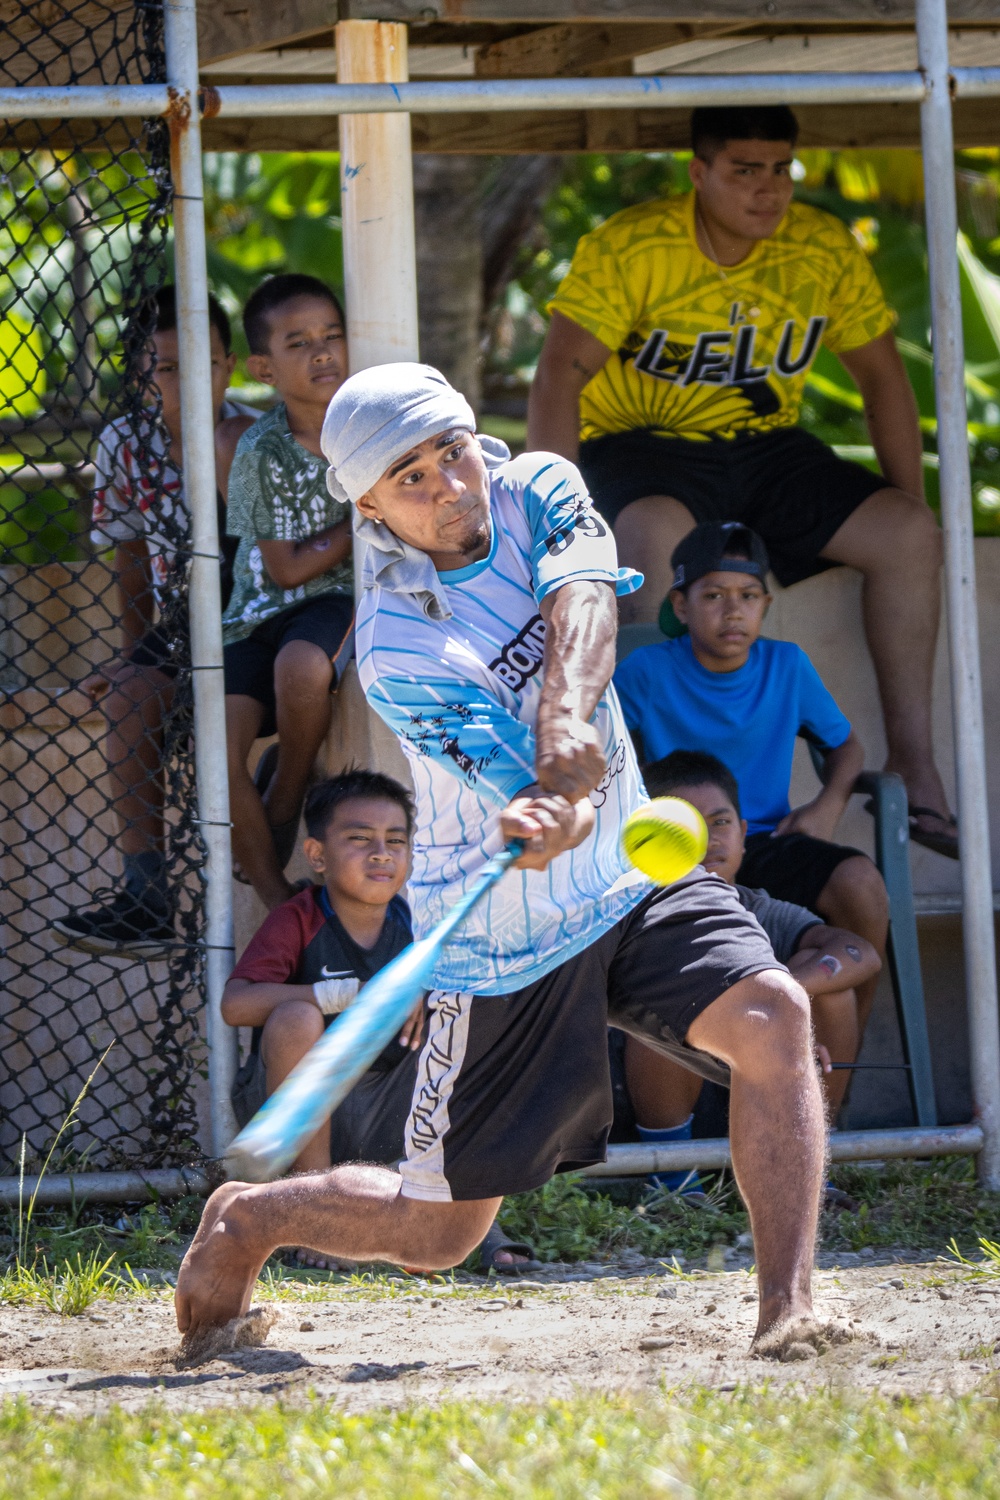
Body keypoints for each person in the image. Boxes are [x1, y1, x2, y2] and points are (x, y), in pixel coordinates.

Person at [177, 364, 834, 1363]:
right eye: (410, 476)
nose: (448, 484)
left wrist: (569, 716)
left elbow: (581, 596)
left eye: (450, 449)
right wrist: (538, 794)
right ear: (369, 505)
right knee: (439, 1233)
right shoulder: (396, 642)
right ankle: (247, 1220)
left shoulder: (538, 485)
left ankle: (790, 1313)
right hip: (502, 941)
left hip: (626, 874)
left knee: (773, 1013)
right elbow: (512, 771)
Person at [528, 104, 955, 860]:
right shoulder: (635, 246)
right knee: (652, 539)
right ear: (700, 174)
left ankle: (917, 766)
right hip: (643, 444)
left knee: (910, 533)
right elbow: (558, 371)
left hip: (765, 449)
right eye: (745, 171)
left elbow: (884, 379)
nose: (769, 190)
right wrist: (552, 524)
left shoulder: (822, 247)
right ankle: (656, 791)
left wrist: (913, 511)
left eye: (781, 170)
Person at [224, 768, 532, 1274]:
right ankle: (315, 1210)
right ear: (317, 854)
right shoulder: (298, 918)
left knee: (468, 1019)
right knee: (296, 1018)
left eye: (395, 840)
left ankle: (472, 1222)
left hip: (393, 1110)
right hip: (302, 1116)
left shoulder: (421, 923)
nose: (381, 853)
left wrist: (424, 987)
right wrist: (353, 996)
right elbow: (236, 1005)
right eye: (359, 839)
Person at [614, 520, 888, 1041]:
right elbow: (607, 757)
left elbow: (846, 746)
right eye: (713, 595)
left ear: (765, 606)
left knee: (861, 884)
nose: (732, 610)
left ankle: (843, 1058)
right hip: (678, 852)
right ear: (681, 606)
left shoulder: (786, 664)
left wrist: (827, 804)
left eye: (748, 596)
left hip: (762, 838)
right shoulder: (645, 670)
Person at [54, 287, 257, 957]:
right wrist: (134, 653)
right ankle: (145, 894)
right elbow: (134, 562)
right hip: (178, 624)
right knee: (128, 696)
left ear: (230, 363)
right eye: (167, 367)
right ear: (143, 372)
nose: (188, 380)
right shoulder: (126, 443)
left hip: (255, 614)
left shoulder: (254, 434)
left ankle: (271, 826)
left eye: (203, 363)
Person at [632, 750, 880, 1133]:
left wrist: (780, 993)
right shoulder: (635, 912)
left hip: (763, 1085)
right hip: (654, 1097)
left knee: (834, 993)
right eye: (685, 825)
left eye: (720, 822)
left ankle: (808, 1146)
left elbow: (860, 954)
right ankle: (672, 1177)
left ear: (744, 835)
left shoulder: (759, 907)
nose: (708, 839)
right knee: (666, 1000)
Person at [222, 273, 355, 910]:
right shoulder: (258, 448)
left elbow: (317, 578)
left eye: (332, 336)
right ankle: (281, 904)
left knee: (302, 667)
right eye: (298, 343)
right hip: (255, 615)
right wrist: (358, 520)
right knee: (216, 751)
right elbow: (284, 571)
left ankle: (288, 792)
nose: (322, 352)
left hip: (336, 604)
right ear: (263, 367)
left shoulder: (370, 431)